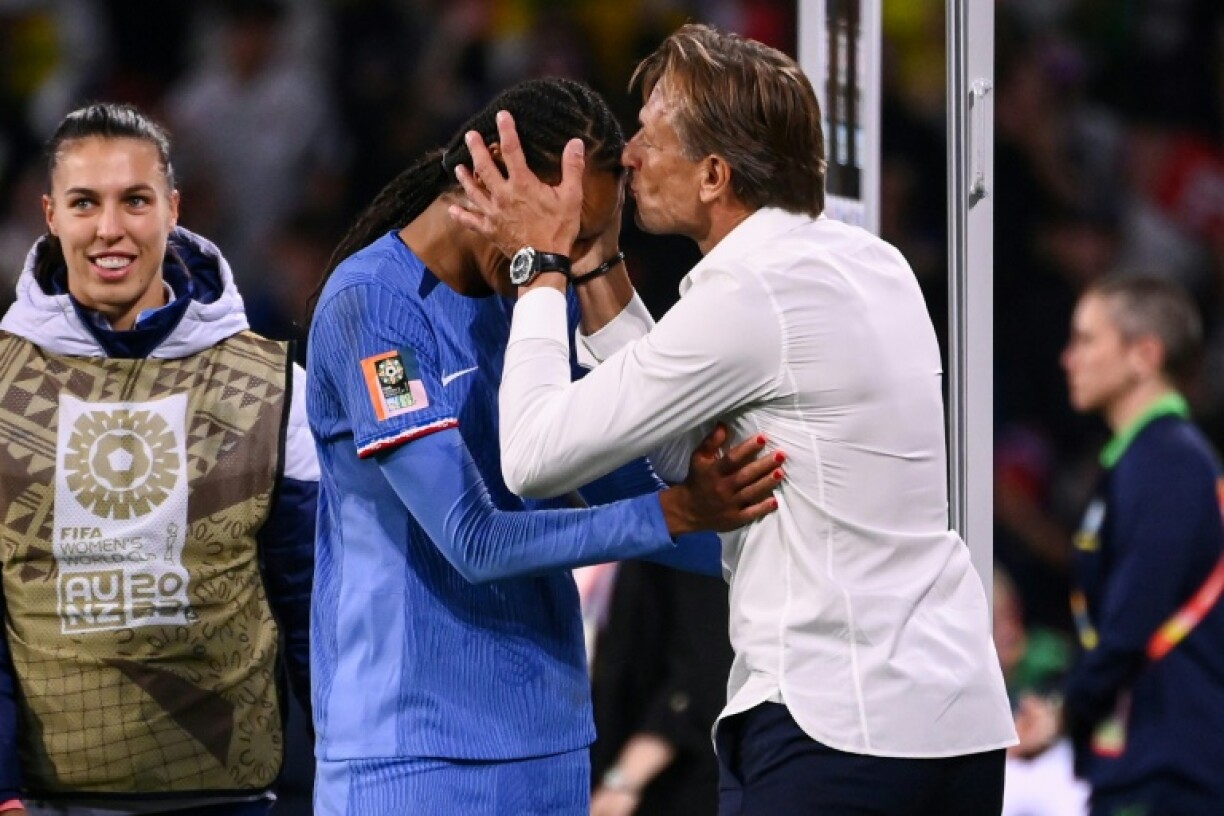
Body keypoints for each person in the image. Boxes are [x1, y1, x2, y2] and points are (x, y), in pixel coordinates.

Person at [448, 23, 1018, 816]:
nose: (630, 155)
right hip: (956, 723)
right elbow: (677, 433)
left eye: (650, 135)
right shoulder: (873, 262)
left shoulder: (749, 295)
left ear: (714, 175)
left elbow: (532, 454)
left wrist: (538, 266)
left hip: (835, 731)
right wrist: (597, 267)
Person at [305, 76, 782, 816]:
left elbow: (646, 503)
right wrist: (677, 512)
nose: (574, 261)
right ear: (491, 175)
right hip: (408, 752)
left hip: (551, 742)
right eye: (570, 239)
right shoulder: (371, 306)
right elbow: (473, 540)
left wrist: (741, 511)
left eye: (591, 241)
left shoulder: (540, 299)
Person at [0, 103, 317, 814]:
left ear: (174, 209)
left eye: (135, 201)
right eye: (85, 202)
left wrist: (345, 772)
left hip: (232, 798)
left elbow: (312, 610)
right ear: (50, 215)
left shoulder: (275, 385)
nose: (109, 228)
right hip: (49, 803)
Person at [1059, 275, 1224, 815]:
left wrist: (1066, 708)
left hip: (1171, 767)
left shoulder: (1169, 463)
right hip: (1148, 759)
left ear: (1144, 356)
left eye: (1086, 340)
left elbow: (1131, 620)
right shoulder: (1145, 460)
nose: (1068, 359)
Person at [586, 560, 733, 816]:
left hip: (671, 778)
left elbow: (702, 666)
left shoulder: (689, 550)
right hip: (610, 763)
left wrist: (623, 781)